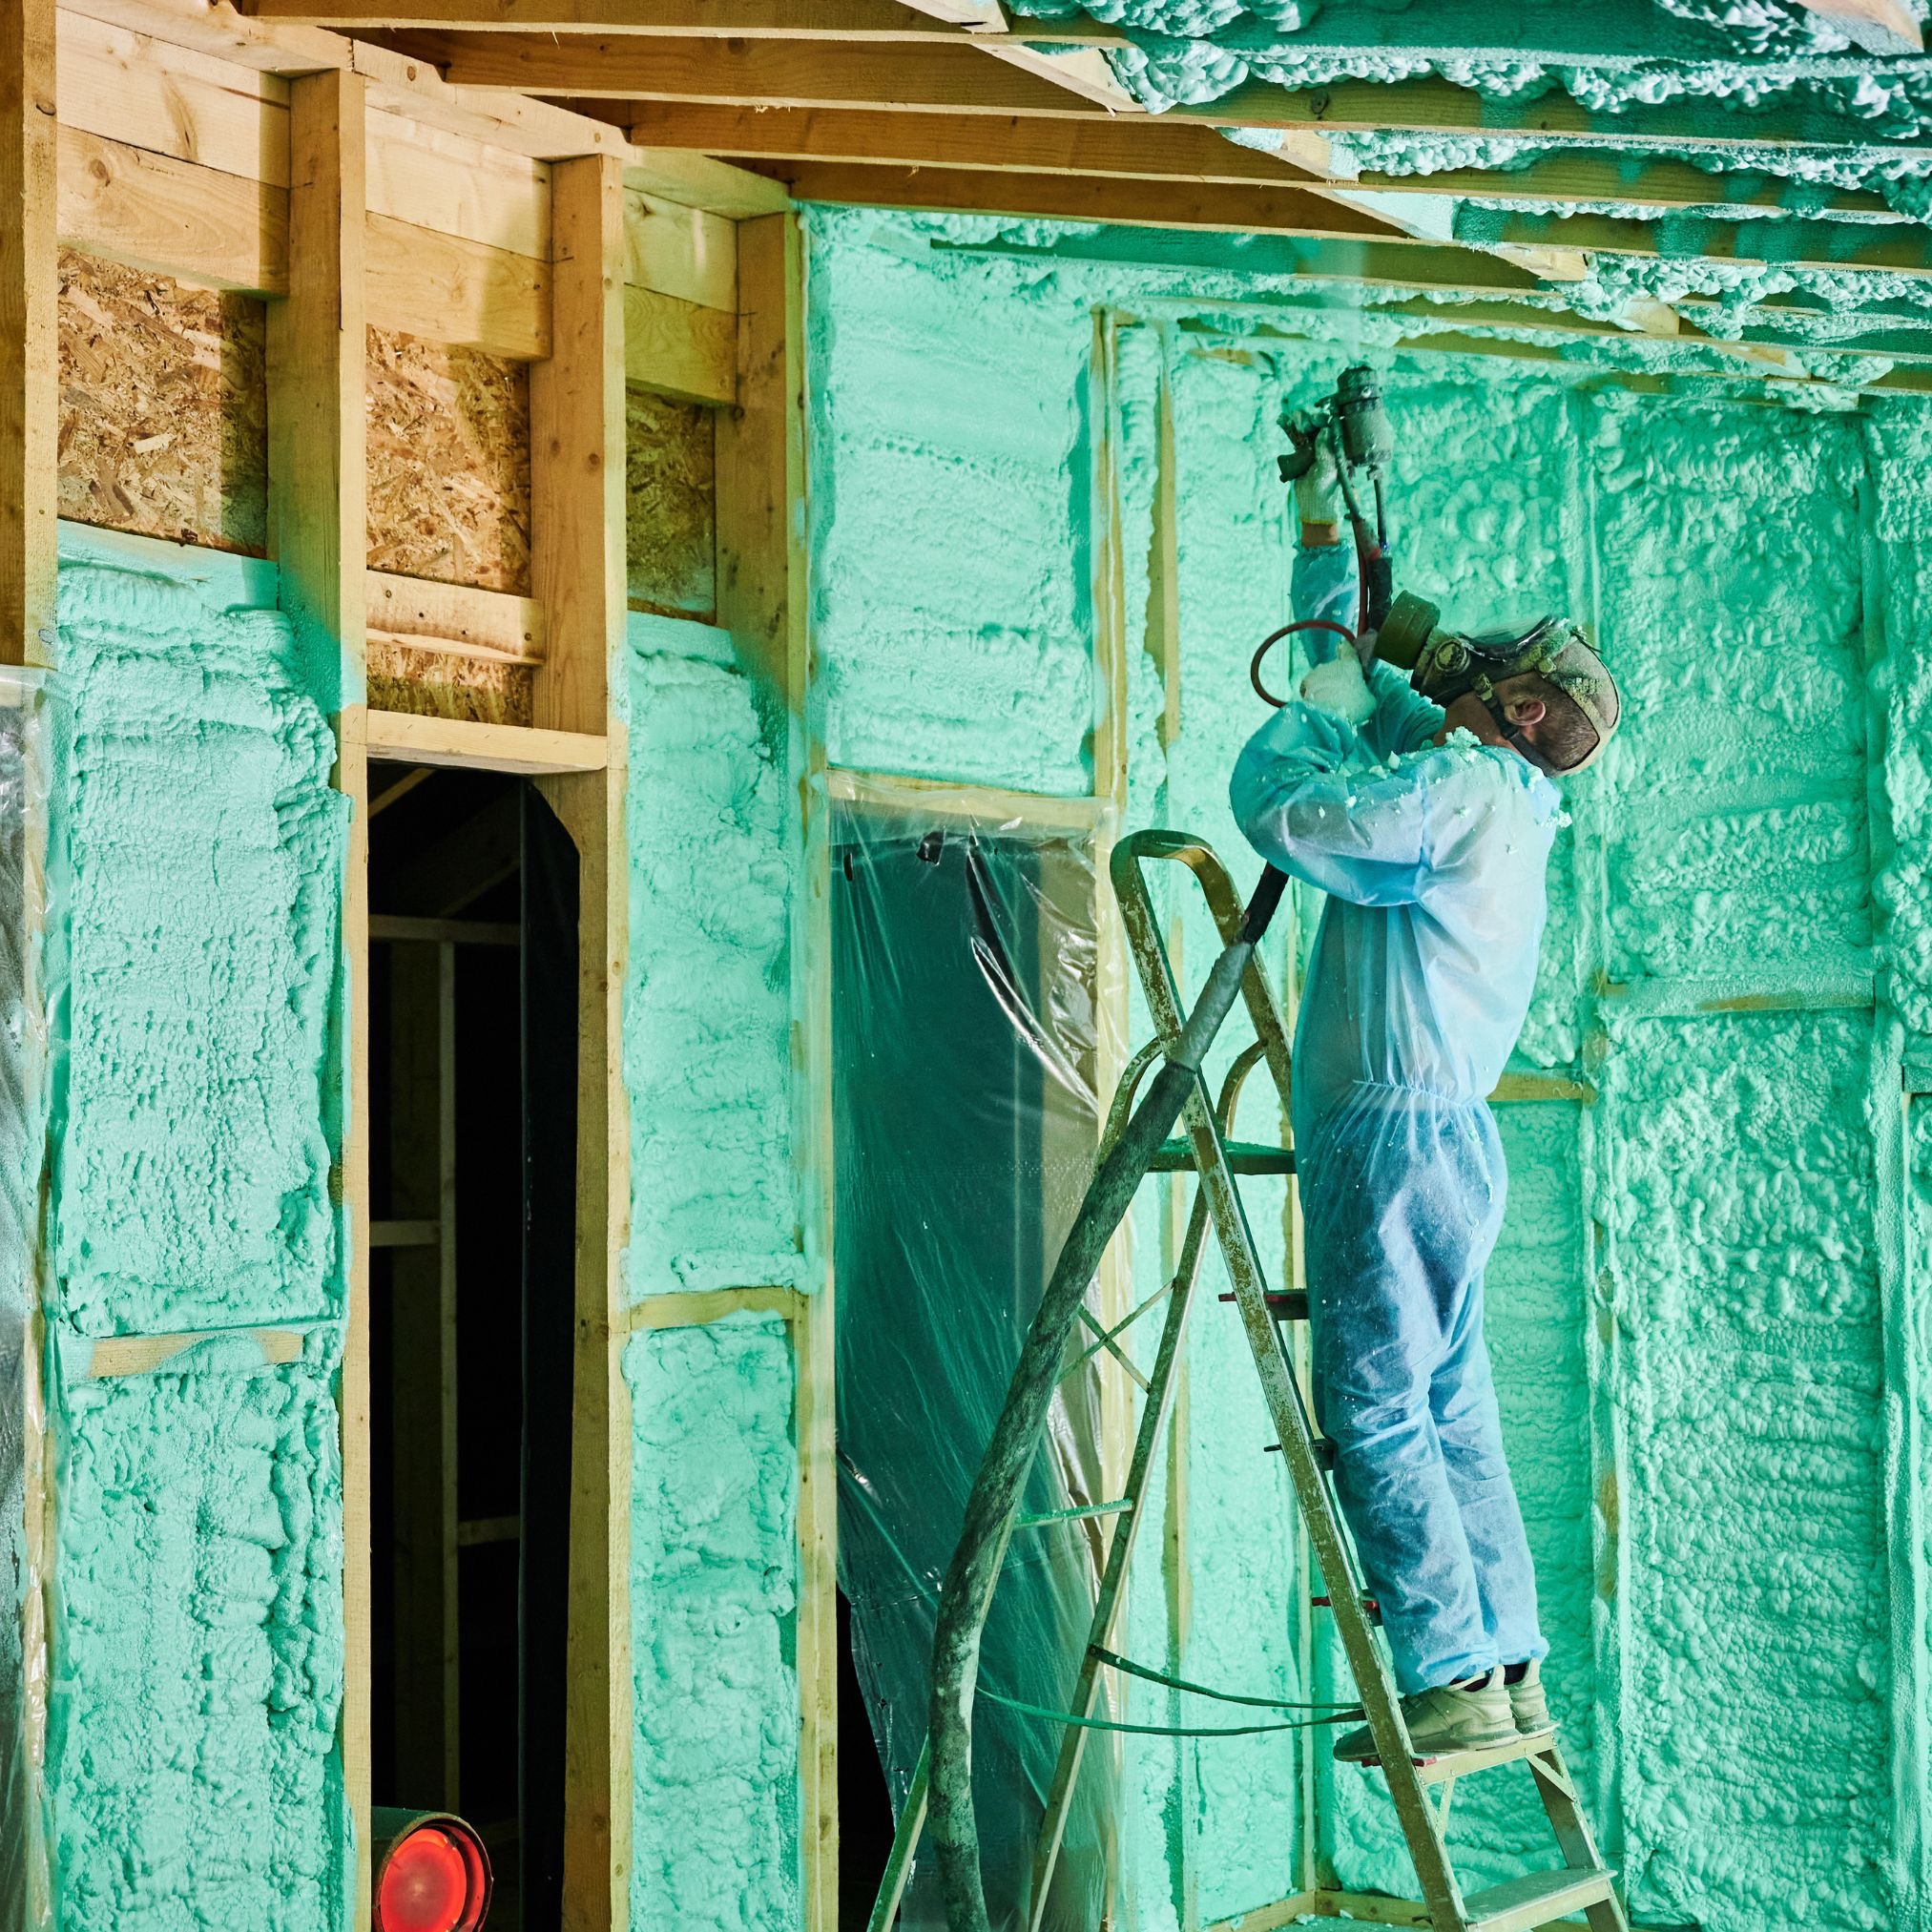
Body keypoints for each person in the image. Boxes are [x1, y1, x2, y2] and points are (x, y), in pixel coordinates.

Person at [1228, 444, 1621, 1761]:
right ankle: (1501, 1657)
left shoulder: (1452, 790)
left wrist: (1307, 719)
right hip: (1451, 1140)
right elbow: (1383, 700)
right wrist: (1332, 561)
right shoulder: (1503, 799)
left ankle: (1446, 1674)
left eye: (1494, 672)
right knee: (1451, 1407)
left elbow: (1289, 809)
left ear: (1516, 715)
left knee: (1381, 1404)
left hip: (1389, 1138)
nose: (1474, 661)